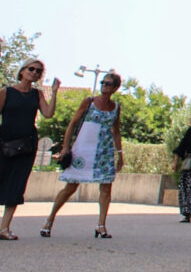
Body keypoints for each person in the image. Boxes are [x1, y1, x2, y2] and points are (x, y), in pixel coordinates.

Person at [43, 71, 123, 239]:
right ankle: (49, 220)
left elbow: (116, 131)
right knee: (71, 186)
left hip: (104, 150)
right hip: (83, 148)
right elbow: (72, 124)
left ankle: (101, 225)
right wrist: (66, 147)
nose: (103, 86)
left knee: (106, 187)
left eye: (108, 83)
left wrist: (120, 154)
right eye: (102, 82)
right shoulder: (89, 102)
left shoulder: (116, 107)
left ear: (115, 88)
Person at [2, 59, 59, 240]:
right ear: (22, 71)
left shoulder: (37, 94)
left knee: (17, 185)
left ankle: (4, 228)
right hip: (4, 143)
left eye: (38, 71)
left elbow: (48, 114)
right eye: (31, 69)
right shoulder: (7, 92)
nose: (34, 72)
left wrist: (55, 92)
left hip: (26, 145)